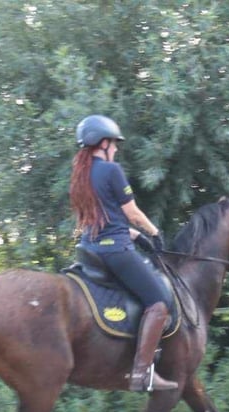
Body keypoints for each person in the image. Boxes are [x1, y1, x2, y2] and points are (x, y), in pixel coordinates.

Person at [69, 114, 178, 392]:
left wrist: (136, 236)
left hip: (90, 249)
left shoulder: (81, 175)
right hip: (114, 251)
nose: (116, 149)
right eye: (114, 144)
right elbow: (132, 213)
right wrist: (154, 233)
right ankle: (142, 373)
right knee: (159, 299)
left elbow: (104, 220)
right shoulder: (111, 170)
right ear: (103, 143)